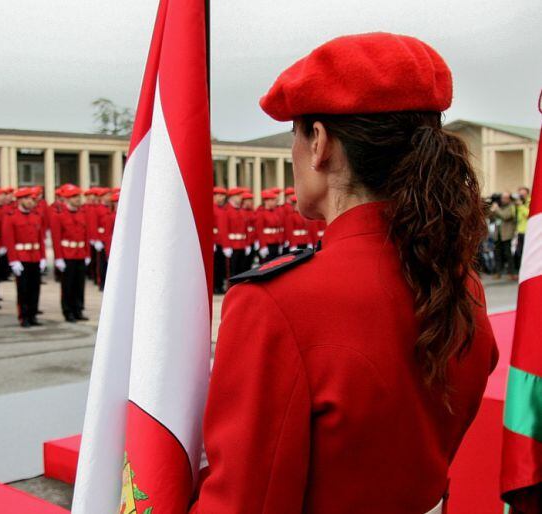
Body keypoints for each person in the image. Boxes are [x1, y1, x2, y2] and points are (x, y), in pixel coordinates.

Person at [190, 33, 498, 514]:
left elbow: (243, 502)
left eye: (295, 135)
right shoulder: (461, 283)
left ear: (319, 142)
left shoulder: (279, 303)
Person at [3, 188, 46, 327]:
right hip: (21, 258)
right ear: (20, 200)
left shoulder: (36, 216)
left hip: (35, 257)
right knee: (23, 290)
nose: (30, 201)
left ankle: (33, 315)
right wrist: (13, 260)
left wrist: (43, 257)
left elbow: (40, 238)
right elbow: (9, 240)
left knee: (35, 288)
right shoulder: (11, 217)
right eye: (27, 199)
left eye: (32, 199)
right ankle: (24, 316)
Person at [50, 184, 91, 322]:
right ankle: (68, 311)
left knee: (80, 284)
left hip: (80, 254)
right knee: (68, 285)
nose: (78, 199)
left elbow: (86, 235)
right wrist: (58, 258)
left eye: (78, 196)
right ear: (67, 199)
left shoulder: (83, 214)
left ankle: (78, 309)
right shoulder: (59, 215)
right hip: (67, 255)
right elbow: (56, 238)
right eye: (74, 196)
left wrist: (87, 254)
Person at [490, 191, 517, 280]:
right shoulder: (499, 206)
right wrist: (492, 210)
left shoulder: (511, 206)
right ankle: (498, 272)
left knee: (508, 255)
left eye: (505, 198)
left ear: (509, 199)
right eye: (502, 198)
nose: (503, 200)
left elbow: (506, 216)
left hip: (507, 235)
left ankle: (512, 273)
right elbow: (491, 217)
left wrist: (497, 209)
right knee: (497, 254)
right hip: (498, 234)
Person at [255, 190, 284, 262]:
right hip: (267, 243)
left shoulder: (275, 212)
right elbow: (259, 231)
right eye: (273, 200)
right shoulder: (261, 213)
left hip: (276, 242)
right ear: (267, 201)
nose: (275, 202)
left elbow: (279, 229)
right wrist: (263, 246)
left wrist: (280, 243)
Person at [212, 187, 230, 294]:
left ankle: (219, 285)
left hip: (221, 242)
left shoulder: (222, 209)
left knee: (221, 266)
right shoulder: (211, 208)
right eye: (220, 195)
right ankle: (215, 286)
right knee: (215, 266)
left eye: (223, 196)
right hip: (215, 242)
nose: (222, 198)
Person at [514, 186, 530, 271]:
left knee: (527, 252)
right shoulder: (518, 203)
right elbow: (514, 215)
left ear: (527, 194)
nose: (521, 196)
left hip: (528, 231)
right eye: (520, 194)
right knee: (519, 252)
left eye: (523, 194)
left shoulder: (530, 202)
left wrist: (521, 206)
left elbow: (528, 214)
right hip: (520, 231)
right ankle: (521, 270)